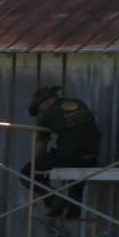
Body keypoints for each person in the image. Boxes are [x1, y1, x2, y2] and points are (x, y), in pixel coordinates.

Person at [22, 84, 102, 219]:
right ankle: (73, 212)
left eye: (39, 108)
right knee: (77, 177)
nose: (40, 112)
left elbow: (41, 147)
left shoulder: (47, 116)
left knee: (27, 173)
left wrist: (40, 166)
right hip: (92, 158)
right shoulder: (79, 103)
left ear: (45, 102)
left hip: (69, 157)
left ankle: (54, 200)